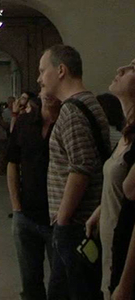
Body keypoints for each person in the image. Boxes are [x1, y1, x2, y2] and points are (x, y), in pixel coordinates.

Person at [37, 44, 110, 299]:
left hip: (76, 225)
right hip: (82, 222)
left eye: (42, 71)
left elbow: (81, 169)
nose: (39, 79)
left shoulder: (71, 110)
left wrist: (63, 221)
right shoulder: (89, 103)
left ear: (61, 71)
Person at [86, 59, 135, 300]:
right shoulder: (126, 135)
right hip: (110, 244)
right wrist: (101, 209)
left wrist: (125, 284)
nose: (120, 69)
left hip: (125, 256)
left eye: (132, 68)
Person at [7, 93, 61, 300]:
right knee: (30, 285)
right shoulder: (24, 123)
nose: (46, 92)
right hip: (27, 216)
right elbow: (12, 162)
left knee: (60, 286)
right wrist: (16, 207)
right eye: (42, 87)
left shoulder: (68, 122)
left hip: (58, 219)